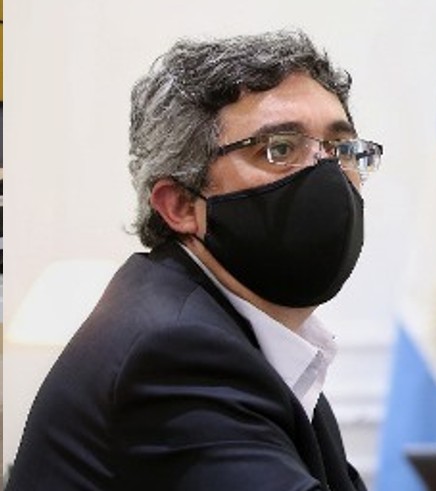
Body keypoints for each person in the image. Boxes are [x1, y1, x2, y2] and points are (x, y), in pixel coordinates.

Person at [7, 30, 382, 490]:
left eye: (342, 150)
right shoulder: (174, 350)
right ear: (181, 205)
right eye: (280, 149)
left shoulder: (258, 341)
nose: (327, 173)